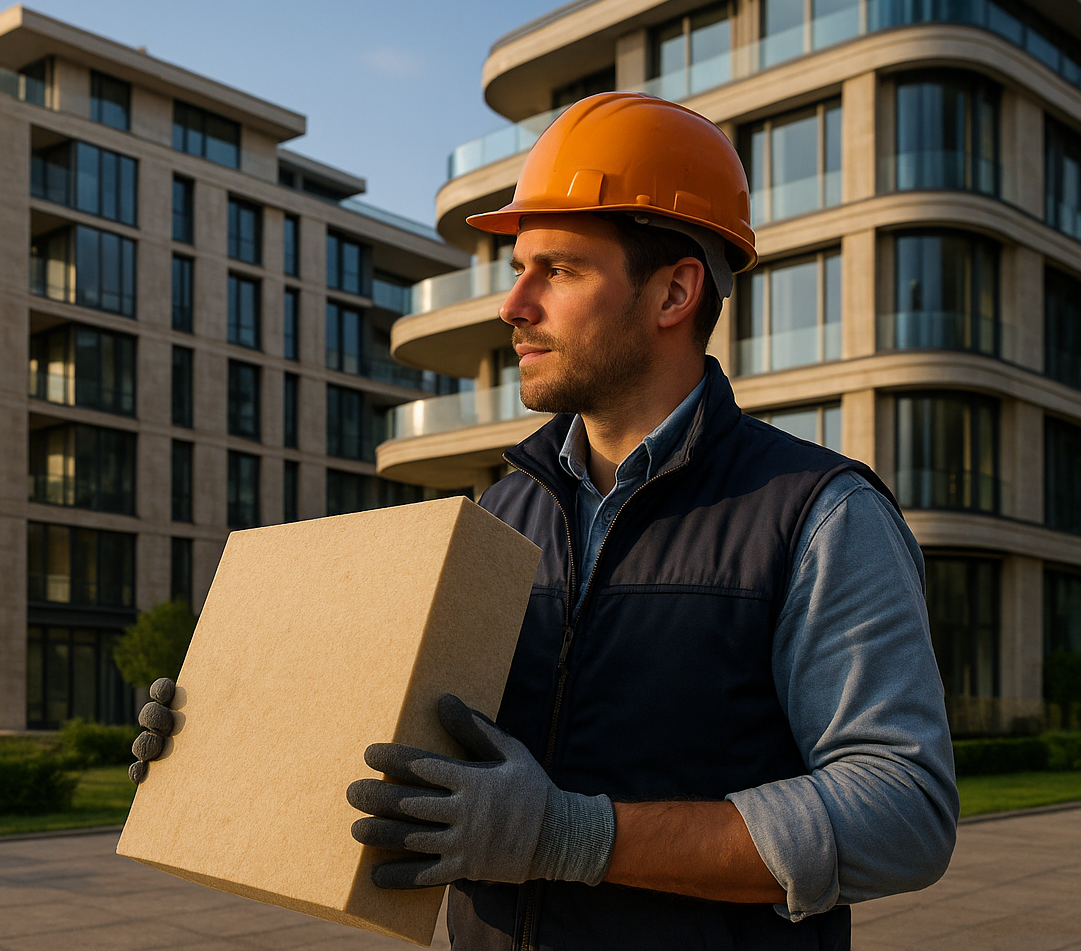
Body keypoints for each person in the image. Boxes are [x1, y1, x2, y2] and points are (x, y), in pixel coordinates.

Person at [340, 92, 959, 950]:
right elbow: (422, 744)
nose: (513, 305)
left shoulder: (819, 516)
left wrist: (576, 838)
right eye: (517, 269)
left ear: (674, 291)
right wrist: (234, 736)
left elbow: (903, 810)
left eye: (556, 270)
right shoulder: (501, 514)